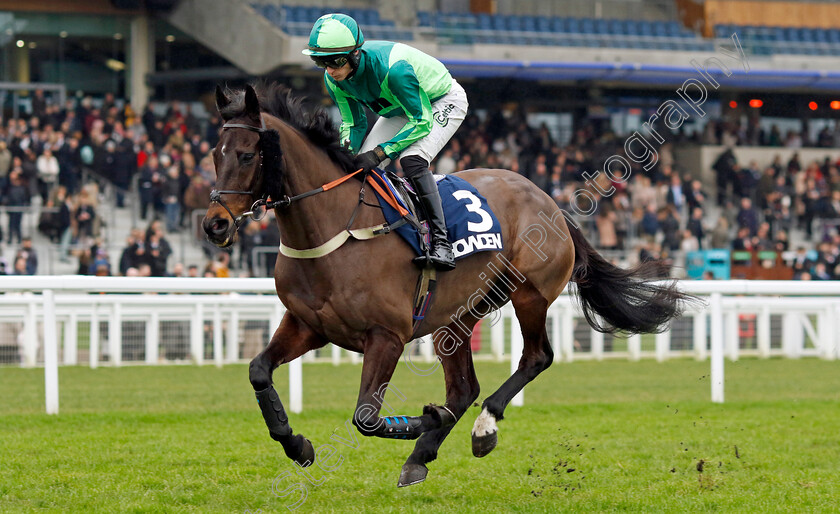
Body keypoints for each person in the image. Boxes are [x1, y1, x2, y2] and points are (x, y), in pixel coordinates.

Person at [302, 13, 468, 271]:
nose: (330, 71)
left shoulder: (395, 71)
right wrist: (341, 158)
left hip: (441, 101)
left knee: (412, 159)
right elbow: (354, 125)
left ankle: (442, 243)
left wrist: (382, 152)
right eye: (320, 62)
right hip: (401, 109)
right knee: (358, 170)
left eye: (334, 61)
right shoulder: (333, 80)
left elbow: (422, 121)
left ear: (355, 55)